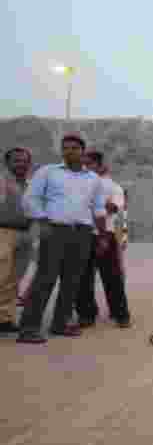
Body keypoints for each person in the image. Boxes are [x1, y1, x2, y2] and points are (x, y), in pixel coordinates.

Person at [17, 134, 107, 344]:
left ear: (83, 151)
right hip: (55, 230)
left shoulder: (93, 179)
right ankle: (29, 328)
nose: (69, 151)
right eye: (65, 148)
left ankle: (61, 323)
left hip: (83, 232)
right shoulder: (48, 172)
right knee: (45, 278)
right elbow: (30, 199)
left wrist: (102, 236)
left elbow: (98, 208)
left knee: (72, 281)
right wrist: (43, 221)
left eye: (74, 148)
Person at [75, 150, 131, 328]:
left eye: (89, 164)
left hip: (105, 234)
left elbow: (113, 208)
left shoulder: (113, 187)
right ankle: (86, 314)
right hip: (82, 234)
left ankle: (120, 314)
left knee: (112, 277)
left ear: (100, 166)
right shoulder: (78, 185)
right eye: (83, 164)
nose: (85, 167)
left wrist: (91, 203)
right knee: (83, 277)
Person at [0, 148, 33, 334]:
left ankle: (5, 318)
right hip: (3, 232)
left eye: (25, 161)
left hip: (26, 234)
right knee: (1, 276)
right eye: (17, 160)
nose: (21, 164)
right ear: (7, 163)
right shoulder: (2, 182)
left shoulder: (31, 184)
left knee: (14, 278)